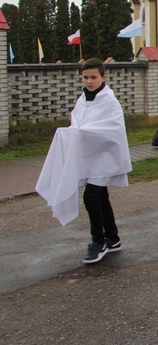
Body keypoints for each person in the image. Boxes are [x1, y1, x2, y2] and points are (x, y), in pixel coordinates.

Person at [36, 58, 131, 264]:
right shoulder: (82, 100)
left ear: (103, 77)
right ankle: (113, 238)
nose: (89, 81)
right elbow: (78, 123)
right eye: (86, 77)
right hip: (89, 157)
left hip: (104, 157)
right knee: (101, 197)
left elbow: (113, 129)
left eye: (93, 77)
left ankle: (99, 241)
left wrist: (84, 132)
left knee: (91, 197)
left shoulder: (109, 101)